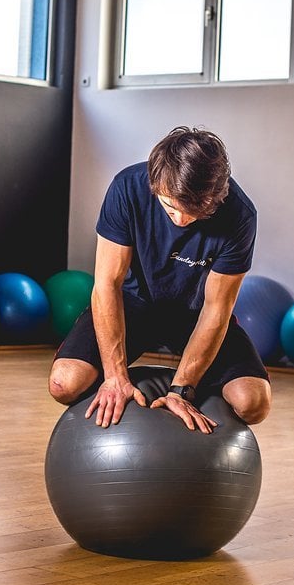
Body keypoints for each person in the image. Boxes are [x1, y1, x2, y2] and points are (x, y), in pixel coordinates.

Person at [48, 126, 272, 434]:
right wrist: (114, 377)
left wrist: (181, 390)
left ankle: (187, 383)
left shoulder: (240, 216)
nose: (181, 220)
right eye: (171, 207)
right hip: (133, 304)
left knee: (252, 402)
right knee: (65, 383)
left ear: (217, 196)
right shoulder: (127, 188)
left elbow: (216, 310)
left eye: (196, 212)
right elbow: (106, 285)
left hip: (194, 314)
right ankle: (131, 381)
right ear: (156, 184)